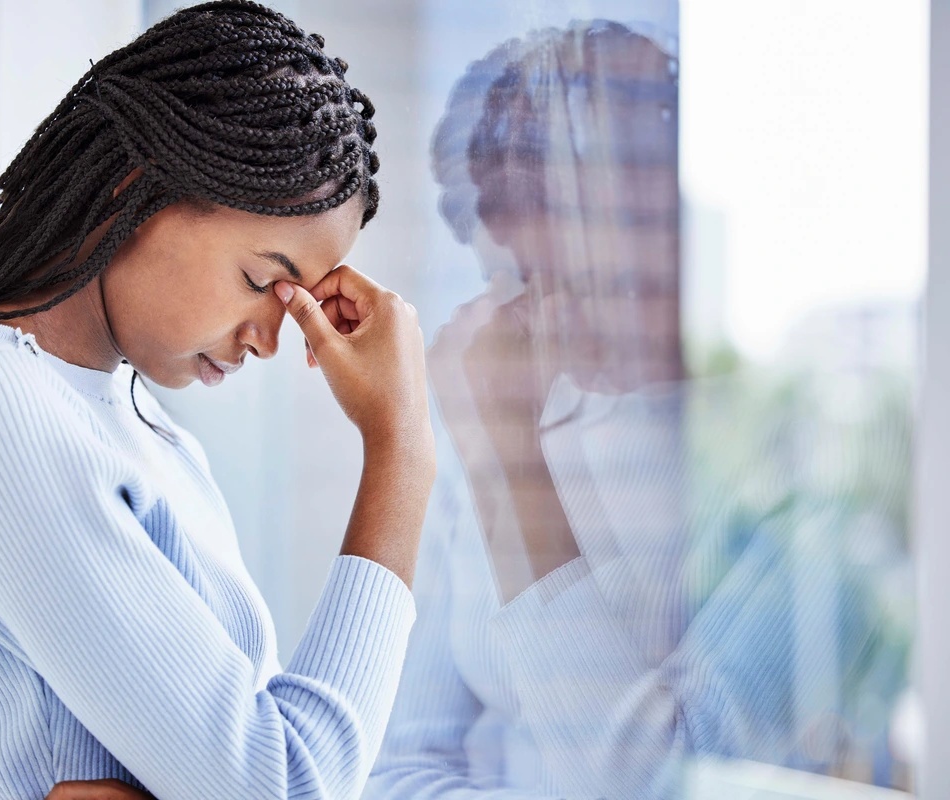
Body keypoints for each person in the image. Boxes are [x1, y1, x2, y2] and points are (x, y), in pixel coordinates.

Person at [0, 3, 435, 799]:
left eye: (296, 302)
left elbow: (258, 762)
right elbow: (284, 781)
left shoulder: (152, 438)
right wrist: (402, 449)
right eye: (258, 281)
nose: (269, 341)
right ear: (133, 187)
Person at [365, 21, 908, 799]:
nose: (512, 312)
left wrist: (511, 461)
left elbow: (650, 784)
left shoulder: (785, 487)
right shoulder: (497, 443)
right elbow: (401, 768)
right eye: (504, 274)